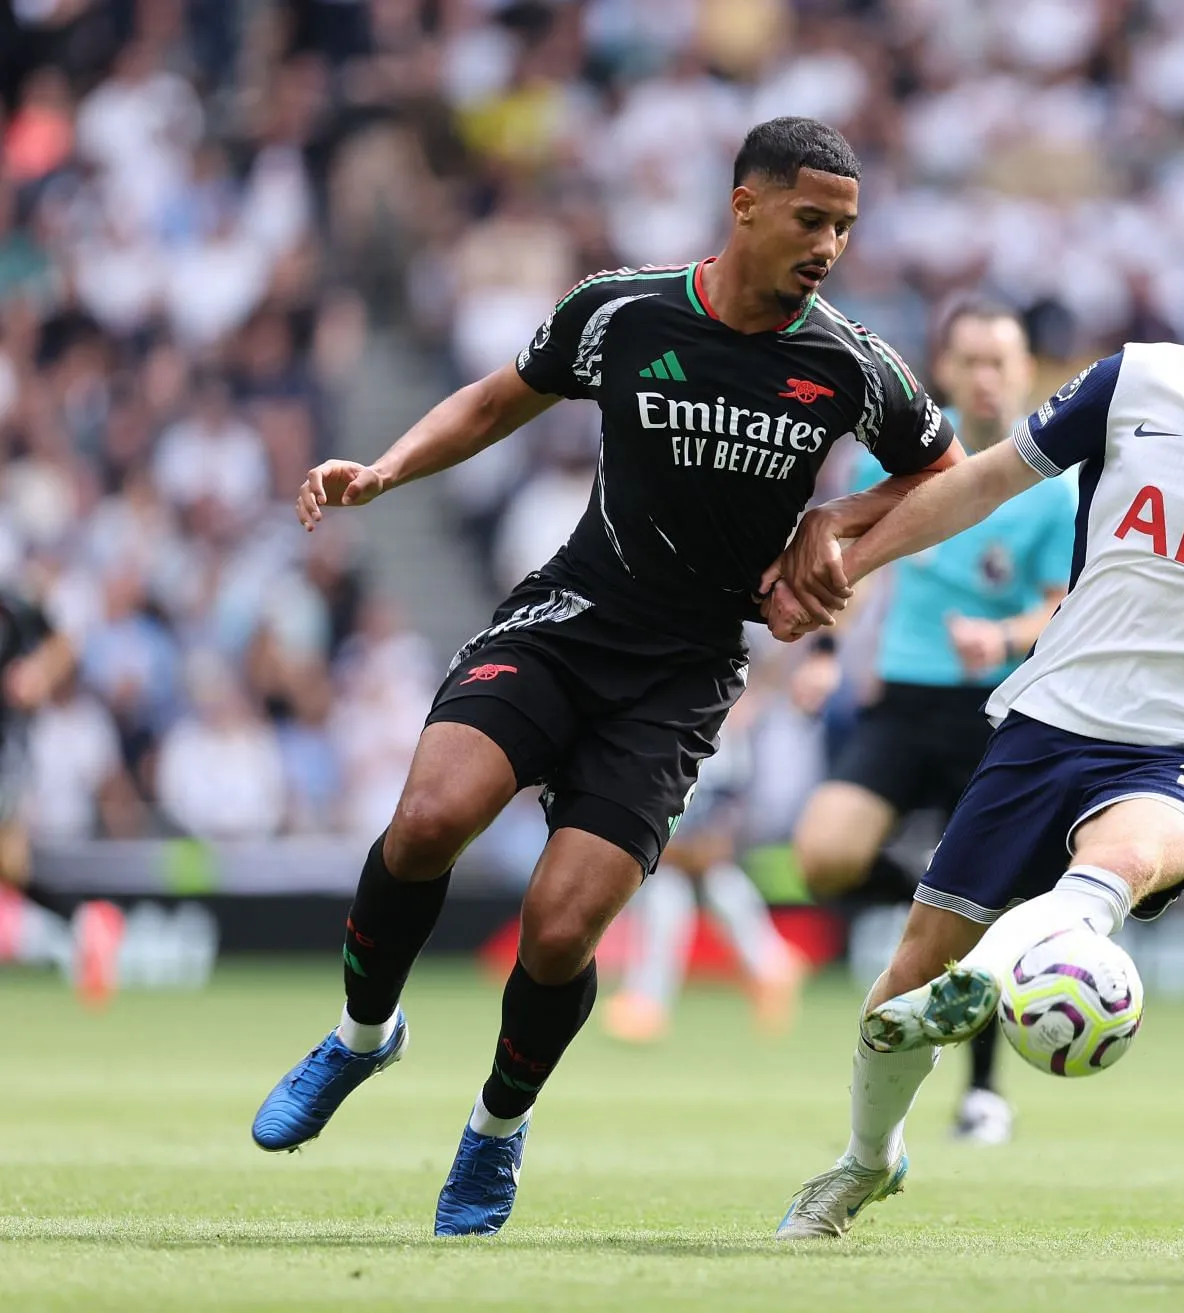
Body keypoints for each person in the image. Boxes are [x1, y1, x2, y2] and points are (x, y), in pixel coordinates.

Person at [249, 117, 960, 1238]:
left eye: (846, 227)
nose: (829, 244)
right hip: (567, 622)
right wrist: (384, 471)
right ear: (746, 206)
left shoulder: (850, 363)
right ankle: (360, 1039)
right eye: (811, 219)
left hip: (681, 676)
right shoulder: (623, 310)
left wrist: (844, 524)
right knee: (431, 818)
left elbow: (944, 473)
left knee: (562, 931)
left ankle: (492, 1135)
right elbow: (495, 401)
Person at [765, 222, 1184, 1237]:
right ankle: (867, 1161)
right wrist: (852, 560)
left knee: (1113, 870)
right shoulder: (1134, 384)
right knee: (909, 968)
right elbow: (982, 482)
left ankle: (987, 980)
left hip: (1182, 751)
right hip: (1047, 722)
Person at [791, 295, 1075, 1145]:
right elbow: (856, 563)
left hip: (999, 710)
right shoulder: (905, 455)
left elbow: (1064, 604)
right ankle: (932, 894)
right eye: (972, 361)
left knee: (976, 907)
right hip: (907, 698)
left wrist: (1003, 635)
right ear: (944, 370)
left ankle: (984, 1094)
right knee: (824, 856)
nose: (987, 377)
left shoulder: (1055, 481)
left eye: (1002, 360)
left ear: (1026, 370)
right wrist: (821, 655)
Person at [601, 713, 806, 1042]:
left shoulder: (725, 735)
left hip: (701, 838)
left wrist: (696, 847)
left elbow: (726, 814)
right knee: (686, 889)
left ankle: (647, 1001)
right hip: (679, 836)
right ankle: (770, 964)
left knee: (680, 888)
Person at [0, 588, 124, 1005]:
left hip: (5, 748)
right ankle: (89, 921)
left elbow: (63, 643)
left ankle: (89, 923)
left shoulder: (11, 602)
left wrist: (37, 671)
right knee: (12, 869)